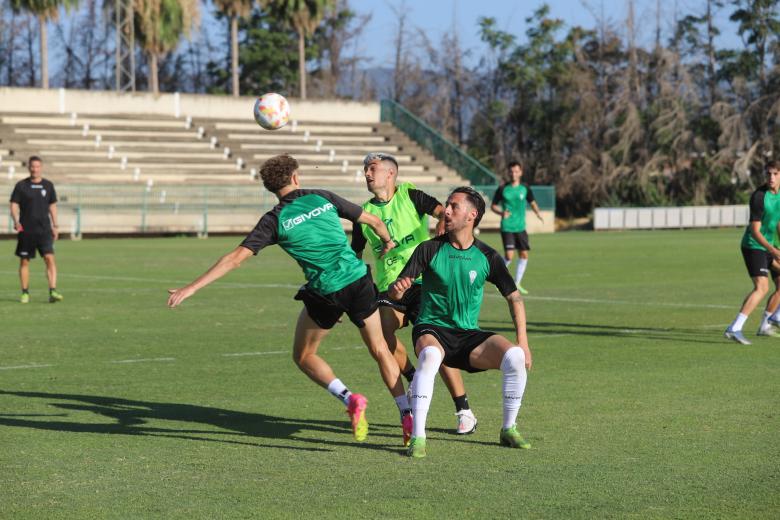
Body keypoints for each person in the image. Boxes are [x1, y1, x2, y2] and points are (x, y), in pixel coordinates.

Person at [167, 154, 412, 444]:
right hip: (359, 280)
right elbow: (372, 220)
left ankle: (350, 399)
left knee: (304, 355)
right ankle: (407, 415)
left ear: (271, 188)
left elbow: (235, 259)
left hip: (327, 291)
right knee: (380, 348)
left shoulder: (273, 220)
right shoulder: (322, 196)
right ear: (295, 177)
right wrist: (387, 242)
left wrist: (192, 288)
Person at [389, 187, 533, 458]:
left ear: (472, 215)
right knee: (431, 355)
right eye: (447, 204)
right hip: (431, 328)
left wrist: (523, 342)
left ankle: (508, 429)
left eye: (454, 206)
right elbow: (399, 289)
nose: (447, 210)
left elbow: (515, 299)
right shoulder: (429, 249)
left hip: (467, 336)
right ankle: (418, 437)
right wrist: (398, 289)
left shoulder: (488, 256)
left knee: (514, 356)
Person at [350, 152, 478, 435]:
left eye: (372, 168)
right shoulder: (364, 215)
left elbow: (443, 212)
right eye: (365, 170)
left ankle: (464, 410)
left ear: (390, 174)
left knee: (434, 345)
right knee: (382, 335)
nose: (367, 174)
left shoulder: (410, 195)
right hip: (390, 287)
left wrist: (437, 242)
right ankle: (411, 377)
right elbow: (355, 254)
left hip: (422, 282)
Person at [725, 160, 780, 344]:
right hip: (753, 245)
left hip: (768, 246)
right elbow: (755, 231)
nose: (771, 178)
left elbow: (778, 222)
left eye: (775, 174)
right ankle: (735, 327)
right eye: (768, 174)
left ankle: (772, 320)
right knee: (762, 287)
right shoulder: (759, 197)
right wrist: (773, 249)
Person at [9, 155, 63, 304]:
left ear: (41, 168)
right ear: (29, 168)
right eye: (33, 166)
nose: (35, 169)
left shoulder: (48, 185)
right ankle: (25, 292)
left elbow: (52, 205)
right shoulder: (21, 186)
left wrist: (55, 225)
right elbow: (13, 204)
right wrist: (16, 220)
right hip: (26, 230)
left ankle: (53, 290)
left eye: (38, 166)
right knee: (25, 261)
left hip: (44, 230)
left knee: (49, 258)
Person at [490, 161, 543, 295]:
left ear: (520, 172)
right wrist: (501, 213)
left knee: (524, 254)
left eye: (516, 171)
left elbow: (532, 202)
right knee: (509, 255)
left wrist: (538, 213)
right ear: (509, 173)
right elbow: (493, 206)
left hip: (521, 227)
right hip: (507, 226)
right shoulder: (502, 189)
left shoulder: (525, 188)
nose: (513, 174)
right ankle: (497, 277)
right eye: (511, 171)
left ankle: (517, 282)